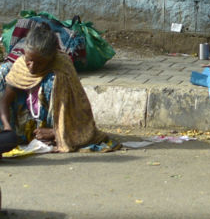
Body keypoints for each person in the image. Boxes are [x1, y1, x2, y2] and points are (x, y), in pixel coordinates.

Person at [0, 23, 120, 154]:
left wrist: (54, 132)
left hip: (55, 125)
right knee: (4, 70)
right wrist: (7, 127)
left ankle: (56, 134)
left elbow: (78, 112)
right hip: (24, 126)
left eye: (40, 63)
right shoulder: (20, 66)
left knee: (54, 80)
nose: (32, 67)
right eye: (29, 60)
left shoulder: (62, 68)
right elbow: (5, 101)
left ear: (51, 59)